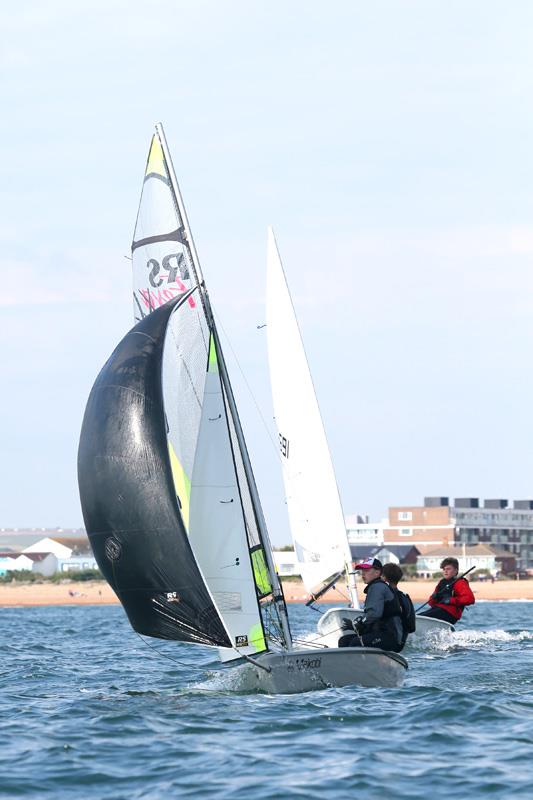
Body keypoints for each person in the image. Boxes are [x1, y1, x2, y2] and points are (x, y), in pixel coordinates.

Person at [338, 558, 403, 652]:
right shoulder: (377, 586)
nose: (363, 574)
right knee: (344, 641)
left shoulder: (377, 587)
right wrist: (357, 625)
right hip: (385, 635)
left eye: (367, 570)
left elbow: (374, 614)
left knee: (355, 643)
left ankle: (354, 665)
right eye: (362, 571)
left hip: (390, 637)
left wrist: (357, 624)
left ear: (377, 572)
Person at [418, 557, 475, 624]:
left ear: (456, 571)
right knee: (419, 616)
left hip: (450, 614)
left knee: (421, 617)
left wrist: (451, 600)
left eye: (448, 569)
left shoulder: (460, 582)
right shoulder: (442, 583)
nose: (445, 571)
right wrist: (434, 598)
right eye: (444, 569)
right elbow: (431, 603)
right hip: (439, 610)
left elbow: (470, 599)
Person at [381, 562, 416, 648]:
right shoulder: (405, 596)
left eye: (381, 576)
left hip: (390, 640)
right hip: (401, 641)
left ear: (384, 578)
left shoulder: (386, 597)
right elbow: (411, 627)